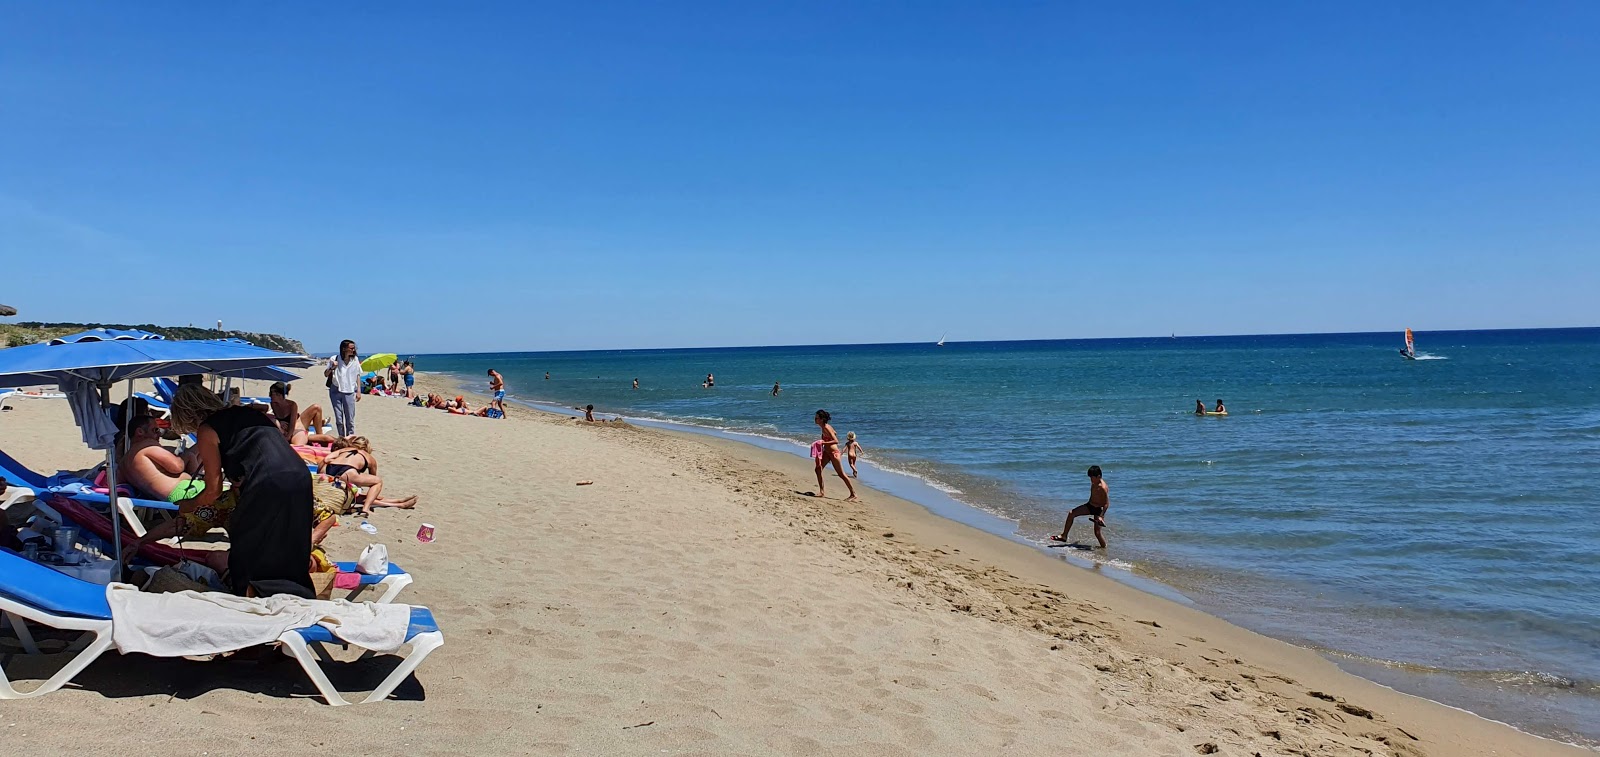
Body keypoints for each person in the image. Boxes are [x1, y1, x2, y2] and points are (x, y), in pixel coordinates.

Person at [168, 382, 314, 597]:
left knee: (246, 551)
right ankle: (298, 596)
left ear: (186, 414)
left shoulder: (208, 429)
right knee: (290, 545)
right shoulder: (247, 413)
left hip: (266, 482)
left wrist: (187, 506)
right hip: (299, 474)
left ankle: (249, 600)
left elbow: (213, 491)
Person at [118, 415, 237, 559]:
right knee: (233, 497)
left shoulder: (125, 461)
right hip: (185, 491)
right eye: (155, 430)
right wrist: (186, 457)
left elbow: (121, 484)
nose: (159, 434)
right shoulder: (147, 445)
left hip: (170, 496)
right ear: (140, 432)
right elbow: (176, 466)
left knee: (198, 449)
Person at [319, 436, 416, 516]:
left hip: (328, 470)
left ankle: (398, 502)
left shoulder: (345, 450)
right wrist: (374, 495)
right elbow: (373, 480)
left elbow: (326, 459)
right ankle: (365, 509)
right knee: (378, 482)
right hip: (348, 472)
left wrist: (335, 464)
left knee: (356, 497)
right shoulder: (369, 457)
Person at [1052, 465, 1109, 548]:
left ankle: (1104, 550)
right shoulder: (1094, 482)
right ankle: (1064, 536)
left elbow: (1106, 503)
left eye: (1092, 477)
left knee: (1097, 533)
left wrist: (1101, 516)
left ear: (1098, 476)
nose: (1091, 480)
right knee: (1071, 513)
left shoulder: (1103, 488)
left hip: (1098, 510)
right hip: (1090, 505)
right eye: (1090, 477)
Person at [267, 382, 336, 446]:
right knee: (298, 444)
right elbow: (278, 417)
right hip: (286, 427)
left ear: (282, 395)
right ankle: (318, 430)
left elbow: (293, 423)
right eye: (271, 394)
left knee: (316, 407)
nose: (272, 396)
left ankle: (320, 435)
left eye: (275, 394)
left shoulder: (292, 405)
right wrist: (281, 423)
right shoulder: (273, 404)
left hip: (295, 426)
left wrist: (288, 436)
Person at [812, 410, 858, 501]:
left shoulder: (826, 428)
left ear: (821, 419)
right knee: (818, 469)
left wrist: (823, 442)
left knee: (841, 474)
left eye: (816, 418)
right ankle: (821, 492)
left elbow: (836, 440)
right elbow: (835, 432)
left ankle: (853, 494)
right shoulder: (823, 427)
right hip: (827, 452)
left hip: (833, 453)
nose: (815, 419)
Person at [325, 339, 361, 437]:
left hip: (349, 391)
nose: (353, 350)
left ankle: (350, 438)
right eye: (351, 348)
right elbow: (325, 374)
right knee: (339, 418)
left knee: (350, 419)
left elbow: (358, 375)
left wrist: (358, 391)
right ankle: (341, 438)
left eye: (354, 348)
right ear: (344, 349)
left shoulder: (355, 360)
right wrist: (332, 367)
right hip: (335, 390)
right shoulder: (334, 358)